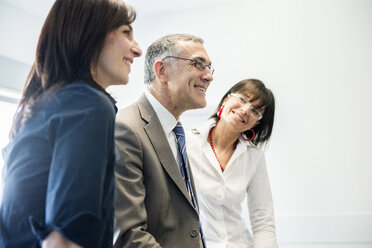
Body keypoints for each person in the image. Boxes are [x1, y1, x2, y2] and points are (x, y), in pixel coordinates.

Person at [0, 0, 141, 247]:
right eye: (126, 32)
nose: (137, 49)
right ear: (91, 32)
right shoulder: (89, 103)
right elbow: (63, 238)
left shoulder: (45, 105)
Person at [114, 34, 214, 248]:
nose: (208, 76)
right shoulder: (126, 128)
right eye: (198, 64)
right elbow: (129, 235)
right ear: (162, 71)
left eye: (209, 67)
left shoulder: (176, 132)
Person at [186, 79, 278, 248]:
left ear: (257, 122)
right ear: (227, 99)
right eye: (242, 99)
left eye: (255, 110)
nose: (245, 110)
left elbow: (263, 221)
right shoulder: (188, 143)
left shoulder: (254, 157)